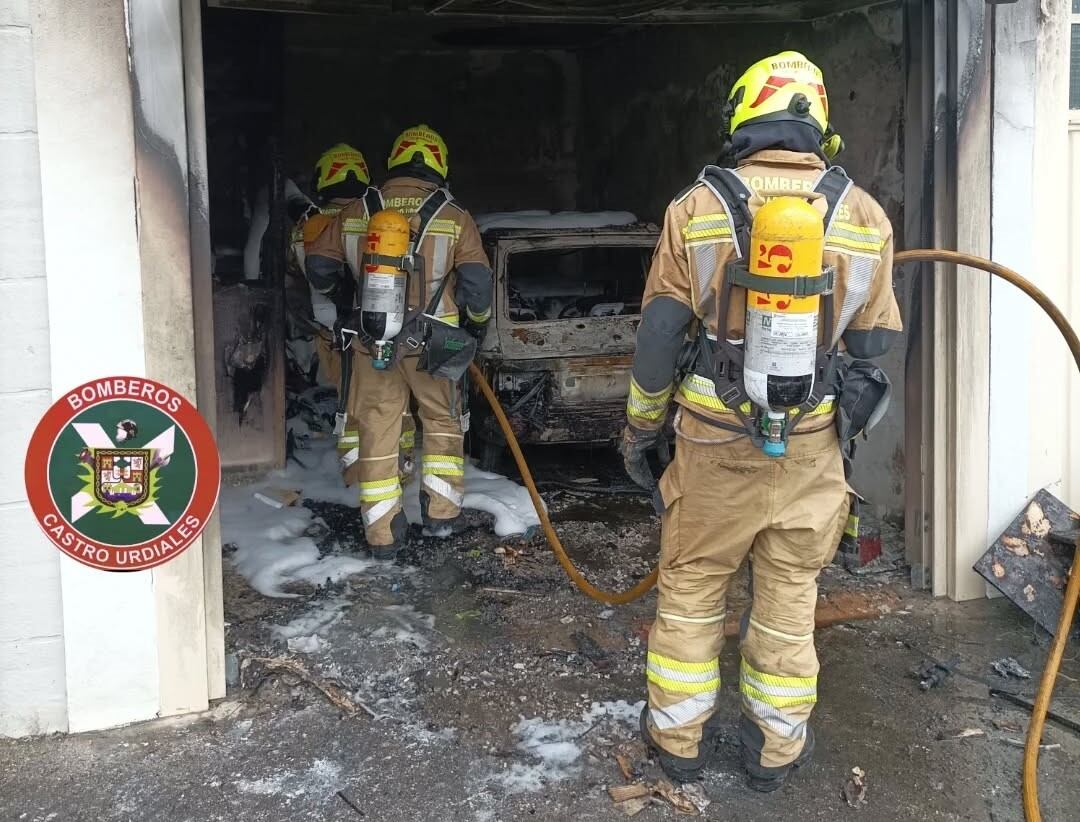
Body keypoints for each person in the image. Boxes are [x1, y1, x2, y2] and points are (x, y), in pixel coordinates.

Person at [621, 51, 901, 792]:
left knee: (691, 589)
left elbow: (657, 338)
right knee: (787, 601)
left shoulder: (698, 207)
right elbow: (873, 355)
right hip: (812, 452)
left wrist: (641, 430)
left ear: (744, 116)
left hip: (714, 447)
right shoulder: (865, 214)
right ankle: (773, 754)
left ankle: (678, 743)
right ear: (819, 123)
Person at [311, 124, 493, 558]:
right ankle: (441, 514)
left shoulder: (358, 209)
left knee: (377, 426)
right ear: (439, 165)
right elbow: (478, 284)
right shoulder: (453, 216)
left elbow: (318, 266)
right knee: (442, 421)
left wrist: (346, 294)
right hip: (435, 345)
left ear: (393, 162)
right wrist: (476, 326)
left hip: (371, 340)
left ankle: (383, 534)